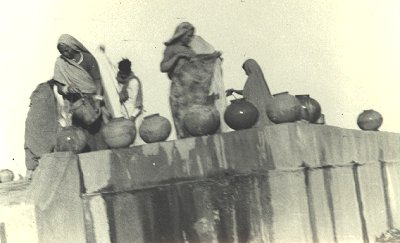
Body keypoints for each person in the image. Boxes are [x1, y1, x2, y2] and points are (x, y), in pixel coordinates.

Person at [160, 22, 222, 138]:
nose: (189, 39)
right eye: (187, 36)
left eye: (191, 36)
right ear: (180, 34)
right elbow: (163, 67)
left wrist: (212, 57)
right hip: (180, 90)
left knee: (197, 118)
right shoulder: (171, 48)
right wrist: (177, 57)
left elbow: (198, 65)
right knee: (182, 118)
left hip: (193, 91)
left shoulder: (189, 49)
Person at [52, 34, 108, 151]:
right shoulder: (60, 63)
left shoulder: (88, 59)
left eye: (67, 50)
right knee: (81, 138)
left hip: (92, 102)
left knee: (100, 134)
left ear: (73, 46)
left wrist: (98, 101)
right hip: (76, 106)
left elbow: (97, 81)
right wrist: (67, 89)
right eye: (62, 52)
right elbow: (59, 88)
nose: (65, 54)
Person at [24, 80, 60, 179]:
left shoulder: (45, 92)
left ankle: (34, 171)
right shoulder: (44, 92)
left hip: (40, 124)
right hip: (37, 125)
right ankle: (32, 171)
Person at [226, 59, 274, 127]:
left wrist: (234, 91)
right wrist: (234, 91)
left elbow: (246, 93)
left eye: (245, 69)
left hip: (255, 110)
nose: (245, 72)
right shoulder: (258, 79)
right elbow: (246, 92)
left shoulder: (251, 79)